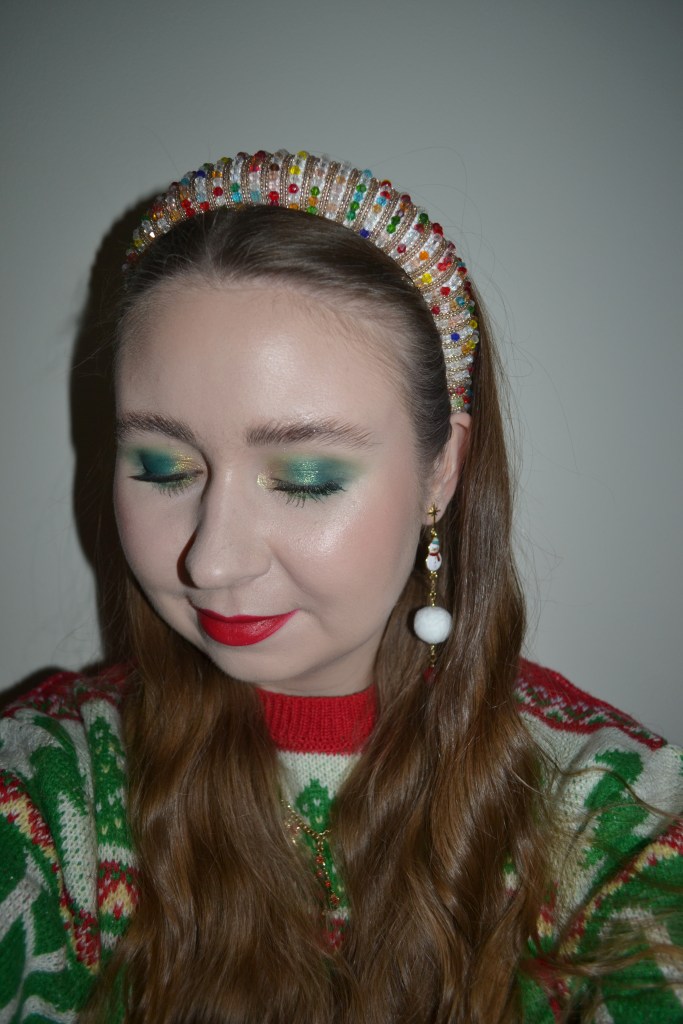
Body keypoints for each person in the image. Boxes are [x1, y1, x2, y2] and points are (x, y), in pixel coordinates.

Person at [1, 149, 681, 1024]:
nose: (211, 562)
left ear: (441, 471)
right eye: (164, 466)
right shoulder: (52, 792)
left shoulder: (608, 817)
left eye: (306, 478)